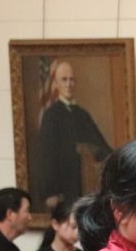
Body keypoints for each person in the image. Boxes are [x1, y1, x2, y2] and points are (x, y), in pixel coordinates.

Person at [34, 59, 112, 210]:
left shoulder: (82, 114)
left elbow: (101, 146)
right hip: (63, 186)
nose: (68, 84)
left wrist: (98, 152)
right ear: (56, 84)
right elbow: (46, 155)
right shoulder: (51, 115)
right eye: (64, 80)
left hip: (84, 182)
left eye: (71, 80)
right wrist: (51, 191)